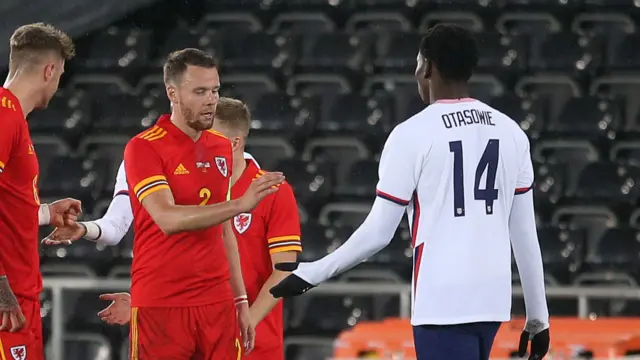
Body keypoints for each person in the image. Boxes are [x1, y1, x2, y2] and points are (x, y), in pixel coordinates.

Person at [270, 24, 551, 360]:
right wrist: (538, 316)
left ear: (427, 67)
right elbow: (524, 235)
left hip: (442, 301)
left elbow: (378, 233)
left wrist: (313, 272)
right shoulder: (511, 132)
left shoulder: (412, 134)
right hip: (491, 301)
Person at [45, 98, 302, 360]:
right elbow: (180, 256)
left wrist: (244, 318)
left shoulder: (272, 191)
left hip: (254, 342)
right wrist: (146, 302)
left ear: (234, 143)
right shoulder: (185, 185)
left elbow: (284, 271)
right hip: (198, 331)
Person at [121, 49, 283, 359]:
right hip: (162, 304)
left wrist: (240, 302)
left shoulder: (220, 147)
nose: (211, 100)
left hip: (217, 303)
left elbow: (225, 233)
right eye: (200, 91)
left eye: (215, 90)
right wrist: (239, 204)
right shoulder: (144, 147)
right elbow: (166, 219)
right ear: (172, 93)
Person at [0, 23, 82, 360]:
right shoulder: (4, 117)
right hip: (8, 300)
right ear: (50, 70)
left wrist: (47, 212)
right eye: (60, 73)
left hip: (19, 295)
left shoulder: (14, 118)